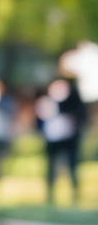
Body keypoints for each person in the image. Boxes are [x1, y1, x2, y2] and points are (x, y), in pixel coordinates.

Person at [37, 75, 86, 204]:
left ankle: (75, 191)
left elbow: (80, 117)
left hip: (69, 137)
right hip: (52, 138)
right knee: (51, 166)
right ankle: (50, 192)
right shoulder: (46, 101)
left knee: (72, 165)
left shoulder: (73, 101)